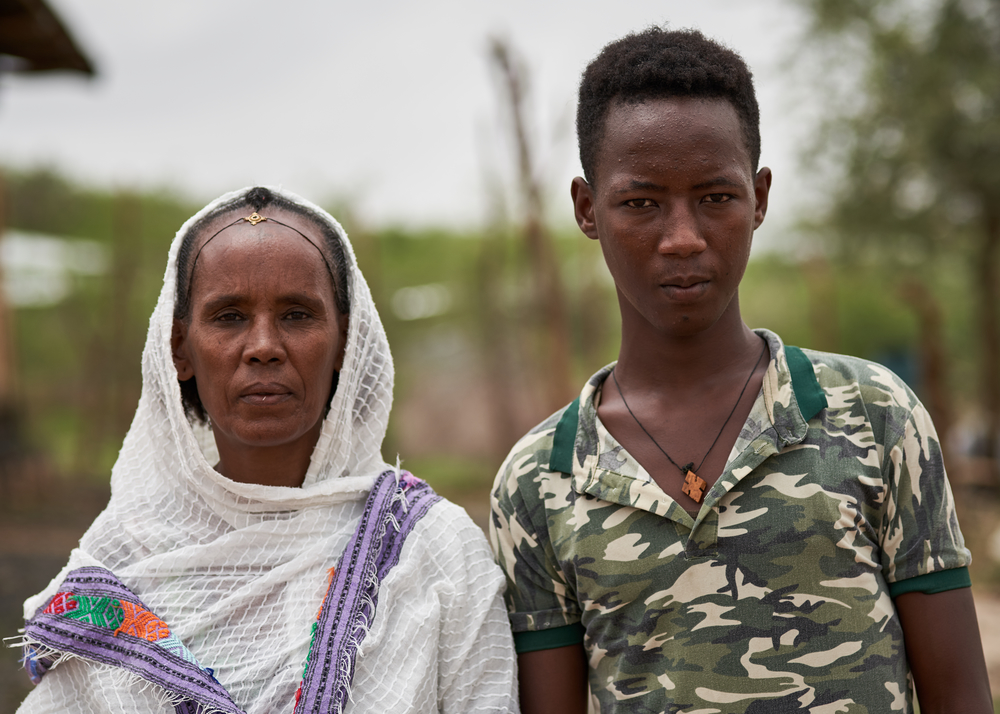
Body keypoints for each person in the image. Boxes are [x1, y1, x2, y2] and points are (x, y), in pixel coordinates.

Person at [489, 27, 993, 714]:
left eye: (715, 198)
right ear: (587, 209)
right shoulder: (539, 481)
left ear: (759, 198)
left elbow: (960, 694)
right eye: (641, 203)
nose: (683, 237)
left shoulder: (874, 416)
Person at [15, 186, 519, 714]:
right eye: (229, 316)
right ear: (180, 349)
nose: (262, 346)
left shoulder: (434, 550)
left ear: (346, 344)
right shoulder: (125, 559)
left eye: (297, 315)